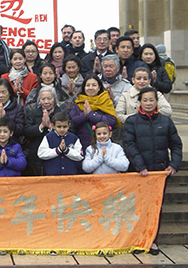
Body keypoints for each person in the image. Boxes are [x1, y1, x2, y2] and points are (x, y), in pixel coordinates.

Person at [123, 86, 183, 255]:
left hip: (159, 173)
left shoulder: (165, 121)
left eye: (151, 100)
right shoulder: (132, 121)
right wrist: (140, 166)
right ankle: (137, 240)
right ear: (139, 102)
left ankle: (152, 241)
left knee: (156, 208)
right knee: (138, 208)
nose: (148, 103)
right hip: (139, 173)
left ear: (156, 102)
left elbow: (176, 145)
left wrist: (174, 165)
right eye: (145, 100)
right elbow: (129, 145)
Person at [69, 75, 119, 152]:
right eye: (88, 85)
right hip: (82, 145)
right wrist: (84, 115)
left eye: (94, 85)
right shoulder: (78, 102)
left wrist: (92, 115)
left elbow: (112, 121)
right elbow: (72, 121)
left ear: (99, 87)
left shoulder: (105, 101)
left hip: (103, 145)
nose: (91, 88)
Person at [23, 86, 65, 176]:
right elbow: (26, 131)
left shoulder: (61, 114)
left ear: (54, 99)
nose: (46, 102)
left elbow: (70, 130)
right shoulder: (33, 113)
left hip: (56, 154)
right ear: (39, 100)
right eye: (43, 99)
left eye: (49, 98)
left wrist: (51, 127)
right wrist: (41, 126)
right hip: (36, 155)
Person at [0, 79, 25, 147]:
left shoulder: (18, 108)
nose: (1, 95)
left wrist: (5, 118)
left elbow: (20, 130)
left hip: (13, 145)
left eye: (4, 92)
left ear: (10, 93)